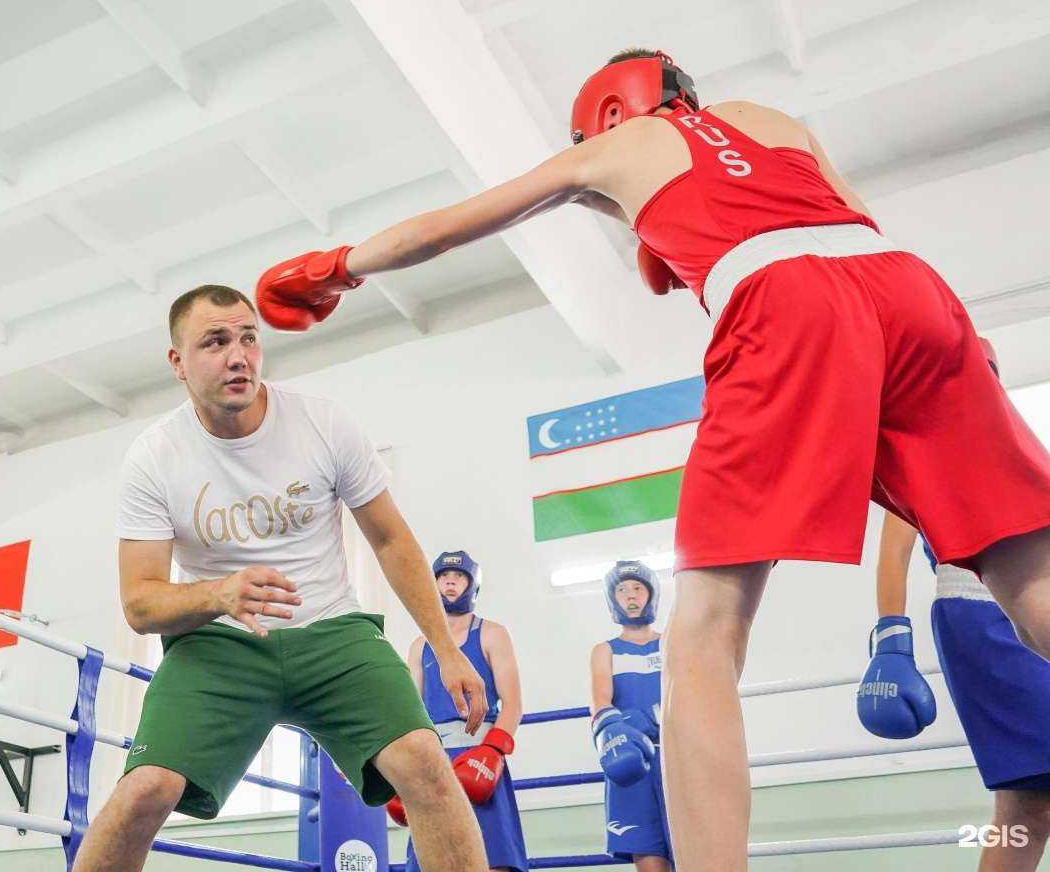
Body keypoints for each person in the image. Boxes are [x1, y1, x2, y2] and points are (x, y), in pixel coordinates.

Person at [253, 49, 1050, 871]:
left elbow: (446, 226)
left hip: (786, 304)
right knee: (1034, 589)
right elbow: (852, 226)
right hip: (918, 296)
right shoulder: (772, 121)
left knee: (701, 640)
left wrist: (336, 269)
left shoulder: (621, 144)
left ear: (606, 116)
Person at [71, 284, 491, 872]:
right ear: (177, 362)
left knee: (425, 762)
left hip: (334, 633)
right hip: (217, 644)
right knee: (145, 790)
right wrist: (220, 593)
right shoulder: (155, 455)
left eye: (248, 337)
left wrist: (446, 650)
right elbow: (140, 603)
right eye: (215, 342)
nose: (238, 355)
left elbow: (392, 539)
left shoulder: (321, 423)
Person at [862, 337, 1050, 872]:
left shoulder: (1019, 445)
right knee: (1025, 803)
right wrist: (891, 641)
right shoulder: (919, 453)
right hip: (982, 616)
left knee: (1029, 808)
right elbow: (891, 557)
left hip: (1027, 609)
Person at [393, 551, 529, 872]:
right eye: (443, 577)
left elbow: (513, 704)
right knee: (431, 861)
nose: (450, 582)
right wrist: (402, 771)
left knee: (492, 861)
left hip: (480, 754)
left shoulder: (493, 633)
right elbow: (413, 714)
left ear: (472, 585)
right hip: (435, 762)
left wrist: (493, 751)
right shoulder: (419, 646)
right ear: (432, 585)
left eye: (459, 577)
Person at [590, 561, 671, 871]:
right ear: (614, 600)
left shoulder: (671, 641)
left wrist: (657, 715)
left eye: (637, 587)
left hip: (676, 756)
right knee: (649, 859)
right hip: (633, 759)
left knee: (694, 853)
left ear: (651, 594)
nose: (631, 596)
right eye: (622, 590)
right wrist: (617, 727)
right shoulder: (605, 650)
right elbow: (599, 701)